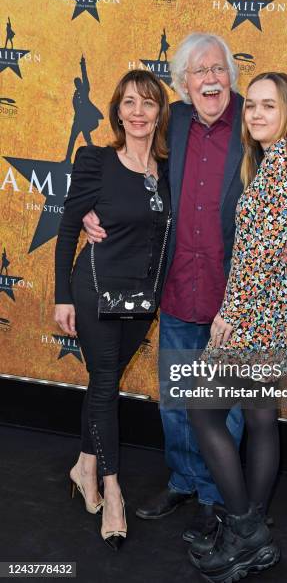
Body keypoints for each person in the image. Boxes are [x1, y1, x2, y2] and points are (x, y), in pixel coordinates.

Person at [82, 33, 287, 543]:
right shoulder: (170, 120)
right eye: (199, 72)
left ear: (231, 77)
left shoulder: (255, 117)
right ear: (183, 83)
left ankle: (222, 501)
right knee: (179, 403)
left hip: (236, 301)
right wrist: (92, 207)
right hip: (177, 290)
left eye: (219, 69)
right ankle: (184, 482)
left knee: (231, 412)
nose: (211, 79)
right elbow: (125, 157)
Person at [187, 72, 287, 582]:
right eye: (250, 105)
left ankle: (247, 532)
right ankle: (250, 532)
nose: (255, 114)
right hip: (273, 312)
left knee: (203, 413)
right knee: (260, 417)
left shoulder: (285, 164)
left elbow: (259, 255)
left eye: (268, 106)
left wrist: (230, 312)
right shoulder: (279, 161)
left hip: (258, 317)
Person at [54, 69, 170, 550]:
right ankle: (113, 489)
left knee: (104, 383)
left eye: (147, 103)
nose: (138, 112)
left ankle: (84, 464)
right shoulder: (96, 160)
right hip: (95, 289)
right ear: (117, 111)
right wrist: (62, 295)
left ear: (160, 111)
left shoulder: (172, 165)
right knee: (104, 385)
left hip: (143, 298)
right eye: (129, 103)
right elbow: (66, 229)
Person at [65, 56, 103, 164]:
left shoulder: (85, 89)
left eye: (78, 82)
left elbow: (85, 76)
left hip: (87, 120)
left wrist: (83, 64)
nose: (77, 84)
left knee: (87, 136)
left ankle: (95, 158)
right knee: (72, 140)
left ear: (81, 83)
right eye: (76, 83)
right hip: (78, 121)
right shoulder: (75, 95)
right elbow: (76, 108)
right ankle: (67, 159)